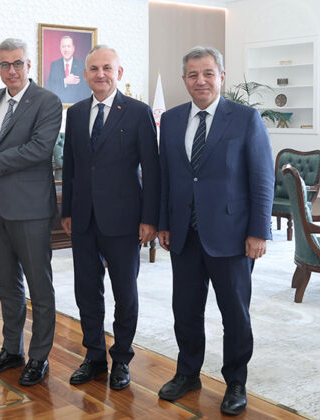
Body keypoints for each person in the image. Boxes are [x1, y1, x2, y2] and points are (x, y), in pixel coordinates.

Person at [156, 46, 274, 416]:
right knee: (185, 310)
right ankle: (188, 373)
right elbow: (166, 177)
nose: (201, 81)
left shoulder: (245, 118)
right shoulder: (171, 120)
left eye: (208, 73)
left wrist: (259, 231)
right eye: (193, 74)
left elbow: (262, 178)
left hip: (232, 236)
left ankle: (236, 381)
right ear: (184, 80)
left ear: (221, 76)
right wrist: (164, 223)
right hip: (184, 234)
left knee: (234, 314)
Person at [60, 45, 160, 391]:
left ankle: (121, 359)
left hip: (124, 219)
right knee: (86, 291)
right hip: (83, 219)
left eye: (107, 68)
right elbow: (71, 166)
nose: (100, 74)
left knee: (125, 293)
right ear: (85, 74)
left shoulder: (137, 112)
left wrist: (150, 218)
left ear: (119, 73)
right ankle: (94, 357)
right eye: (93, 69)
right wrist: (67, 211)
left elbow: (152, 169)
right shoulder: (75, 113)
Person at [0, 38, 62, 386]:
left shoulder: (47, 101)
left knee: (39, 287)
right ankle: (12, 349)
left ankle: (39, 357)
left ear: (29, 65)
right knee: (7, 284)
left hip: (31, 208)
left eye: (18, 64)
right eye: (4, 64)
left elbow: (40, 149)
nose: (11, 70)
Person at [46, 36, 90, 104]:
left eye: (68, 46)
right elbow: (49, 87)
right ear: (60, 49)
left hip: (77, 106)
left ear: (73, 48)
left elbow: (86, 91)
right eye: (63, 46)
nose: (66, 50)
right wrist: (65, 81)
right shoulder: (54, 65)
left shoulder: (82, 66)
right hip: (58, 105)